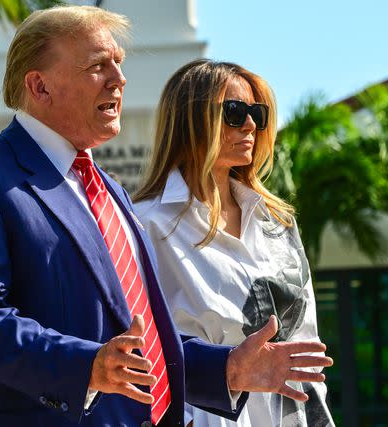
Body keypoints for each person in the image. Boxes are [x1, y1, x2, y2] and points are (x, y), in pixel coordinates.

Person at [0, 6, 332, 427]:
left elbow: (144, 341)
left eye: (119, 64)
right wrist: (87, 366)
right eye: (98, 66)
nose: (119, 79)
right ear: (39, 85)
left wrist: (226, 369)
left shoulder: (110, 191)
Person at [134, 59, 334, 427]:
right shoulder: (146, 224)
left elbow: (306, 342)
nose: (250, 125)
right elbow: (139, 345)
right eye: (234, 111)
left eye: (257, 113)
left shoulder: (278, 224)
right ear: (191, 119)